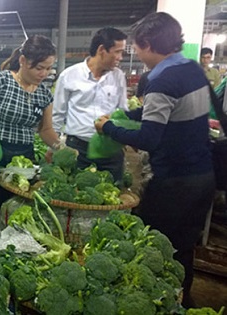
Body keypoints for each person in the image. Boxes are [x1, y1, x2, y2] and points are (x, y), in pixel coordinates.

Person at [94, 12, 215, 308]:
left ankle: (155, 304)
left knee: (152, 245)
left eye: (135, 47)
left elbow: (149, 138)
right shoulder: (191, 68)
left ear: (147, 44)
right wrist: (128, 115)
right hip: (203, 177)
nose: (134, 53)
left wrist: (108, 127)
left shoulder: (162, 79)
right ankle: (181, 301)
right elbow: (163, 112)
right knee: (184, 247)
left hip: (174, 183)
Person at [0, 35, 60, 228]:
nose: (44, 74)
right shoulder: (1, 81)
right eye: (39, 68)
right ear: (23, 61)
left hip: (23, 163)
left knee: (14, 218)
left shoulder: (44, 94)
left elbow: (46, 129)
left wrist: (60, 145)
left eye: (48, 69)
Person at [52, 27, 128, 181]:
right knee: (75, 197)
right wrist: (53, 146)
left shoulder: (118, 77)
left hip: (110, 150)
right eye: (118, 52)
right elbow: (57, 114)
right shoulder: (69, 75)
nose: (120, 57)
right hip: (78, 151)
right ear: (102, 50)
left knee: (112, 198)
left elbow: (123, 110)